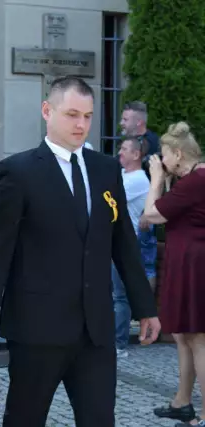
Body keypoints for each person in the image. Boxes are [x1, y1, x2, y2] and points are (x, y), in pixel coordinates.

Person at [0, 76, 160, 427]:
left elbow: (123, 244)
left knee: (100, 419)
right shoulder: (19, 171)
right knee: (25, 420)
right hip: (37, 329)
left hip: (96, 332)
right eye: (72, 114)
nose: (81, 124)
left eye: (87, 116)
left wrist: (145, 308)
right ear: (47, 110)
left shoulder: (105, 170)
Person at [143, 122, 205, 427]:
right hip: (189, 262)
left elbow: (149, 216)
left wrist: (155, 181)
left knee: (198, 338)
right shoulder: (193, 179)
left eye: (163, 155)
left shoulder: (197, 180)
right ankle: (182, 402)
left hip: (195, 265)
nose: (161, 161)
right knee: (183, 334)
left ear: (178, 153)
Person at [113, 137, 152, 358]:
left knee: (119, 296)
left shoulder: (137, 179)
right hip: (117, 240)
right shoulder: (125, 176)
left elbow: (107, 197)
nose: (120, 152)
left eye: (125, 149)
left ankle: (119, 344)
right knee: (114, 295)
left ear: (136, 155)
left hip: (129, 242)